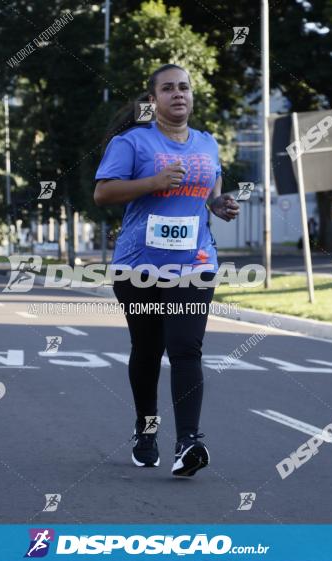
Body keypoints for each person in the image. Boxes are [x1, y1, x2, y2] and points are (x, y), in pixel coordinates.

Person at [93, 64, 239, 477]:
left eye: (185, 88)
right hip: (138, 266)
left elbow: (209, 196)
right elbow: (102, 193)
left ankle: (188, 442)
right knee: (147, 350)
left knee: (185, 349)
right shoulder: (132, 143)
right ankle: (146, 428)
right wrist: (153, 181)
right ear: (153, 99)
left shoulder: (208, 145)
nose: (179, 94)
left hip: (194, 262)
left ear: (193, 96)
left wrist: (220, 205)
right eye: (169, 89)